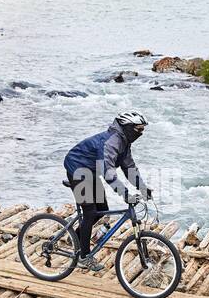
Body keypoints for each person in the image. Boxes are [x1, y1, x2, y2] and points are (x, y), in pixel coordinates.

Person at [63, 111, 154, 271]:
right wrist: (125, 194)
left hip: (90, 172)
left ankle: (76, 239)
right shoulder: (111, 142)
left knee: (102, 210)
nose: (141, 133)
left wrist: (143, 188)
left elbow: (129, 168)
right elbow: (108, 172)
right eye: (138, 129)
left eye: (143, 129)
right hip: (77, 168)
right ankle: (84, 257)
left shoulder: (124, 143)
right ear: (127, 128)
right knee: (90, 212)